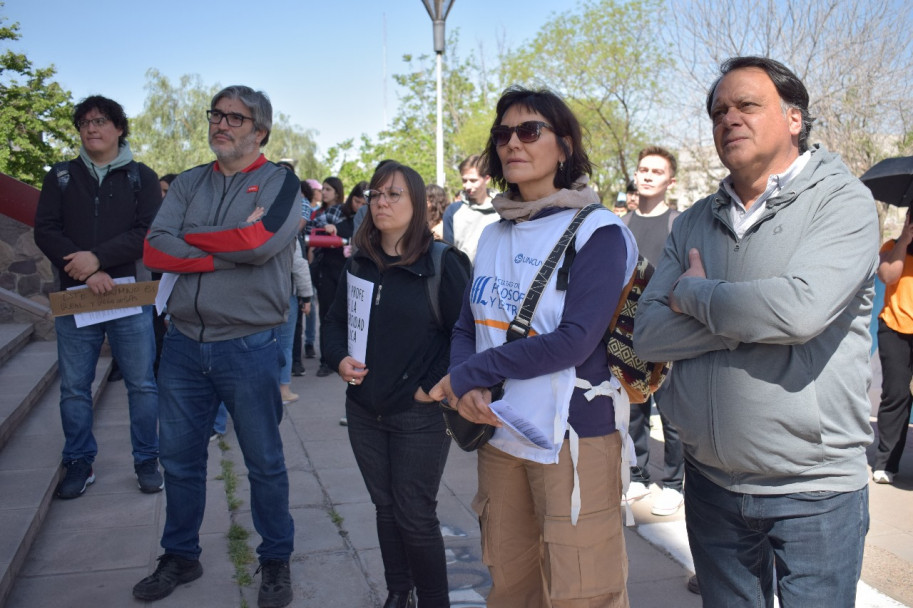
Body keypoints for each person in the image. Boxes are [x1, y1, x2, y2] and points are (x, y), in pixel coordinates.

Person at [633, 56, 878, 606]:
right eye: (719, 110)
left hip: (813, 490)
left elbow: (799, 311)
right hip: (712, 483)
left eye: (747, 105)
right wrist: (753, 316)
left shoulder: (842, 203)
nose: (729, 119)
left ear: (794, 118)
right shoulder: (694, 218)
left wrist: (696, 296)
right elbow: (647, 333)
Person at [432, 86, 637, 608]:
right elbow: (466, 325)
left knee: (582, 591)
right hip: (499, 438)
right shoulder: (493, 233)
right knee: (511, 584)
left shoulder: (599, 231)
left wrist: (469, 375)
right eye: (503, 134)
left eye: (530, 131)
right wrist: (467, 382)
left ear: (564, 146)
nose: (512, 144)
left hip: (573, 439)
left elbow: (573, 342)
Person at [135, 85, 299, 608]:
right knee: (179, 461)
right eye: (216, 115)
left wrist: (195, 237)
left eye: (235, 117)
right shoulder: (187, 182)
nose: (221, 124)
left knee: (264, 462)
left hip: (248, 346)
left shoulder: (282, 183)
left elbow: (259, 244)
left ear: (260, 132)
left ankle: (275, 559)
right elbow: (154, 247)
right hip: (182, 344)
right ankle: (180, 554)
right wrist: (222, 243)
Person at [323, 162, 471, 608]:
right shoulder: (361, 261)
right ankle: (396, 592)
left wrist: (430, 386)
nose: (381, 202)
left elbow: (465, 332)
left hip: (418, 413)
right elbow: (334, 323)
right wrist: (338, 359)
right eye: (375, 195)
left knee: (414, 514)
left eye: (394, 194)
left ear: (418, 204)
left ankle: (433, 600)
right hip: (365, 409)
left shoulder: (443, 262)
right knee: (385, 507)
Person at [34, 95, 163, 499]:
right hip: (76, 298)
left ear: (119, 128)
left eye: (101, 121)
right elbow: (46, 230)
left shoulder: (141, 176)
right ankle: (78, 461)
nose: (92, 128)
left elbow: (148, 231)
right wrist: (86, 270)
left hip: (129, 296)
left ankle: (147, 459)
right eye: (85, 122)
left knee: (142, 384)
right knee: (74, 386)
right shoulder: (60, 176)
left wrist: (99, 259)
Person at [621, 146, 685, 517]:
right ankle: (639, 474)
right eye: (642, 169)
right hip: (629, 331)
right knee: (633, 409)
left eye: (655, 172)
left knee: (673, 413)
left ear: (669, 181)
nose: (646, 176)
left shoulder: (678, 223)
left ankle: (674, 483)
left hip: (670, 331)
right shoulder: (622, 224)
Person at [873, 206, 913, 484]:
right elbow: (888, 276)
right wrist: (905, 239)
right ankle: (886, 463)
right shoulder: (892, 246)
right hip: (895, 328)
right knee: (896, 394)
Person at [313, 176, 346, 377]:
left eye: (328, 189)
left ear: (337, 192)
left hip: (341, 269)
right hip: (324, 268)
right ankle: (326, 360)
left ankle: (341, 356)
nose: (323, 193)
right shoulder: (318, 214)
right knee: (325, 314)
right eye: (322, 189)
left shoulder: (344, 213)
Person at [442, 154, 500, 261]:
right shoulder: (453, 211)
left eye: (473, 181)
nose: (467, 186)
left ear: (487, 179)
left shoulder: (502, 210)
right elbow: (448, 252)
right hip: (462, 275)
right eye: (464, 181)